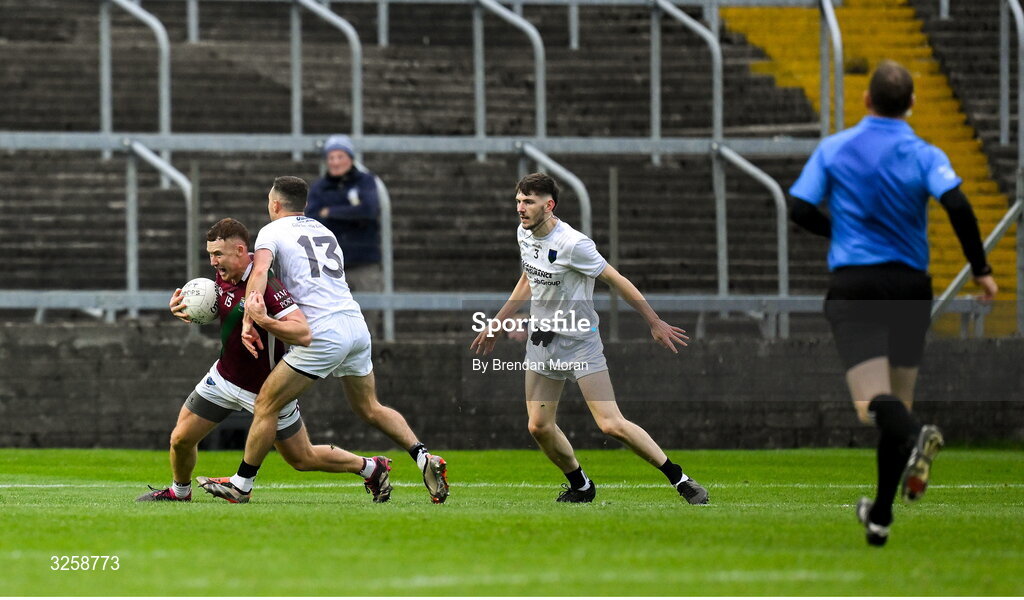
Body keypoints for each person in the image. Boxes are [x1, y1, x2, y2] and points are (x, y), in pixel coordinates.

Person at [788, 60, 998, 546]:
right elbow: (960, 206)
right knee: (896, 407)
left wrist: (838, 229)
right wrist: (981, 270)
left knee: (874, 408)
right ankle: (880, 515)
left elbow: (799, 207)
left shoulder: (835, 148)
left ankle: (919, 433)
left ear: (866, 100)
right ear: (911, 105)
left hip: (857, 285)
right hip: (910, 288)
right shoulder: (924, 152)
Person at [198, 177, 449, 504]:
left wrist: (251, 318)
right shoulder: (323, 230)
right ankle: (422, 456)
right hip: (355, 326)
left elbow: (258, 274)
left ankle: (242, 484)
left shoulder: (271, 232)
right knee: (370, 407)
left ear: (275, 204)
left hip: (321, 333)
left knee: (266, 403)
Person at [470, 172, 709, 505]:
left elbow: (615, 278)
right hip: (542, 344)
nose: (521, 209)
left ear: (548, 205)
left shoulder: (574, 244)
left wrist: (653, 321)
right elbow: (529, 278)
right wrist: (497, 323)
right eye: (518, 202)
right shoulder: (525, 234)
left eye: (529, 202)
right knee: (538, 427)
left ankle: (681, 479)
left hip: (580, 343)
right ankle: (581, 485)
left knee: (610, 424)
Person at [138, 218, 391, 503]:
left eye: (218, 254)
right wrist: (184, 309)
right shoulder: (221, 276)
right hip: (223, 378)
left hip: (266, 389)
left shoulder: (268, 286)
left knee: (302, 458)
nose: (212, 262)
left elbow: (301, 331)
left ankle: (370, 467)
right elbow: (217, 304)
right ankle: (179, 492)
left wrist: (264, 320)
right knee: (181, 439)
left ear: (240, 249)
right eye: (210, 254)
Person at [305, 134, 383, 337]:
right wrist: (351, 212)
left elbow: (369, 210)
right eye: (331, 158)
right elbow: (312, 220)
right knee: (331, 322)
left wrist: (331, 212)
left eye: (340, 156)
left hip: (364, 262)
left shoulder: (366, 181)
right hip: (329, 267)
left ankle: (368, 365)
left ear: (350, 158)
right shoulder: (319, 188)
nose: (335, 162)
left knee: (368, 319)